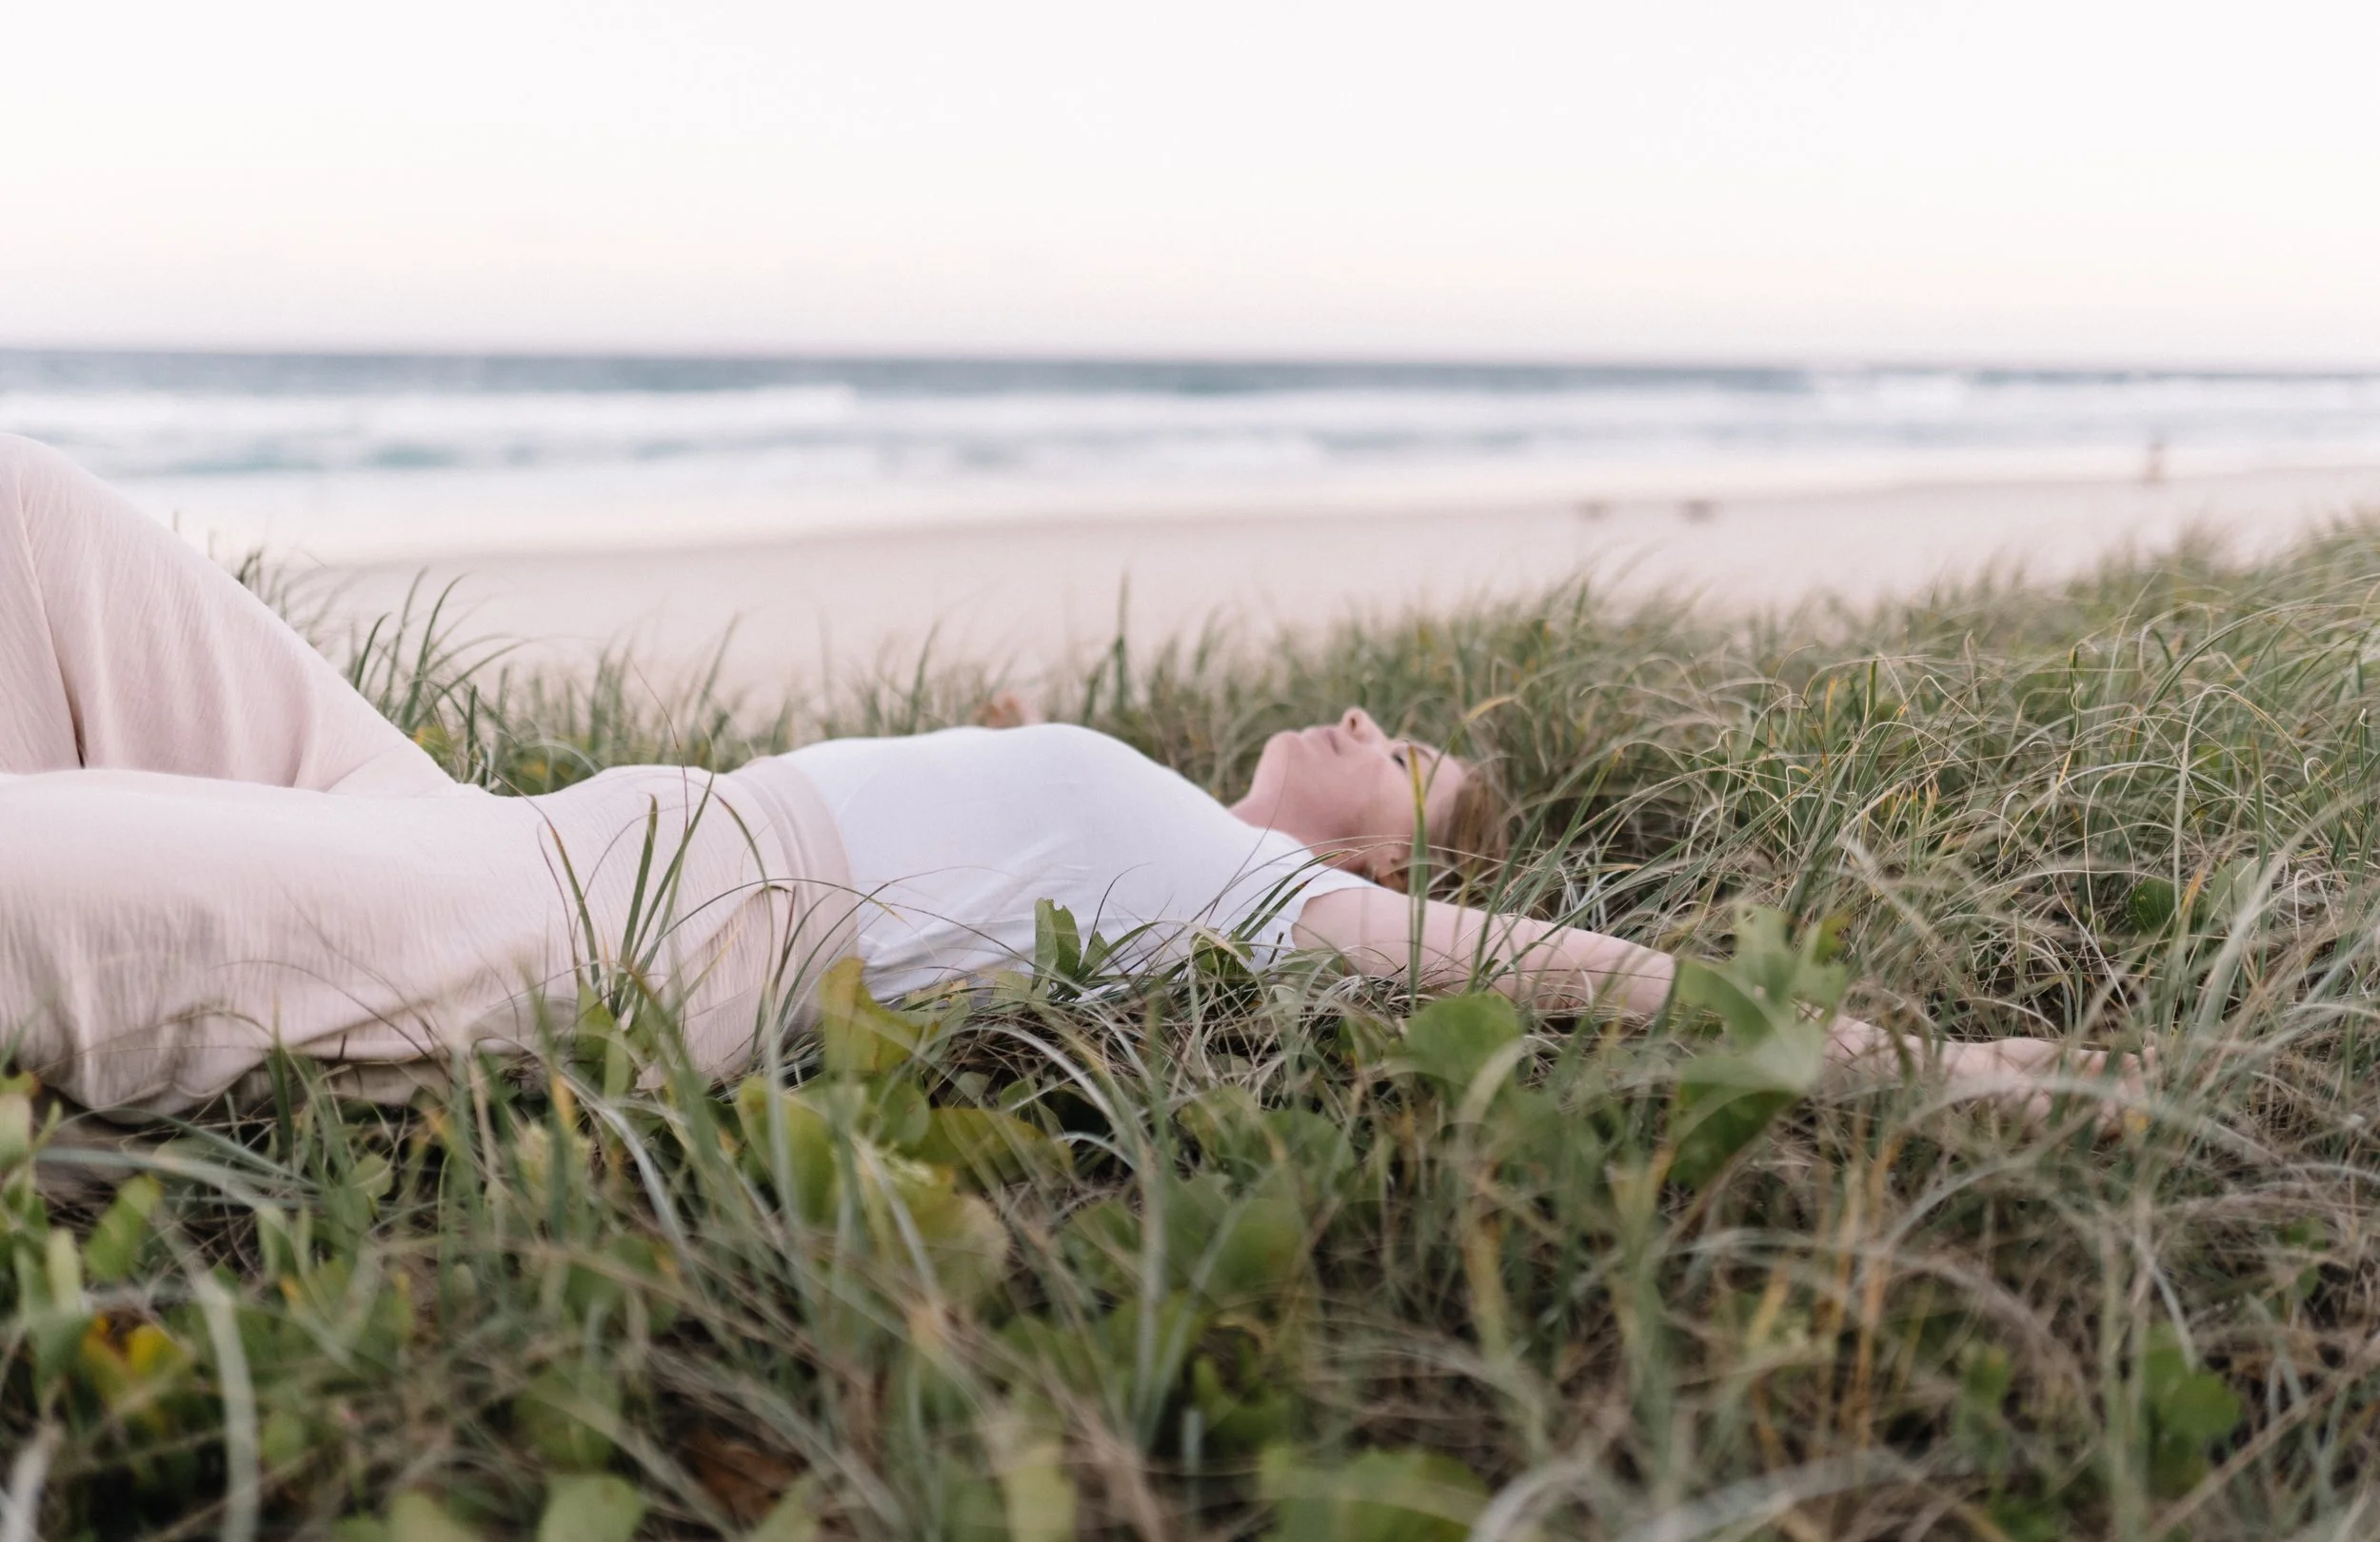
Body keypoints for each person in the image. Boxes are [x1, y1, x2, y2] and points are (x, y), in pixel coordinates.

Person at [0, 436, 2103, 1118]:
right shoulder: (1125, 793)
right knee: (32, 514)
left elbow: (1554, 967)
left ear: (1374, 861)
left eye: (1410, 765)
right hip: (486, 819)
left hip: (563, 939)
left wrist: (1908, 1058)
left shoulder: (1235, 894)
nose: (1372, 728)